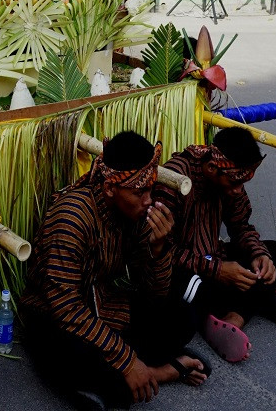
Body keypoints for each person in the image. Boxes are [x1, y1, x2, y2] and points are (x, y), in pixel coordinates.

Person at [22, 131, 209, 409]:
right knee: (70, 356)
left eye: (150, 189)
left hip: (104, 306)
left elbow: (154, 295)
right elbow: (65, 307)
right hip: (53, 316)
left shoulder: (131, 212)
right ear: (110, 188)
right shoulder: (72, 217)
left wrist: (157, 250)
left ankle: (129, 376)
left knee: (181, 317)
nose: (148, 200)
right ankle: (156, 372)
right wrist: (127, 360)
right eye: (139, 192)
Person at [154, 128, 276, 364]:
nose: (239, 189)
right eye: (235, 182)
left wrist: (258, 253)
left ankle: (234, 318)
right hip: (181, 268)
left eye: (244, 181)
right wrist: (218, 271)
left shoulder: (231, 178)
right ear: (211, 169)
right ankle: (255, 301)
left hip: (213, 257)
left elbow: (241, 227)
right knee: (186, 293)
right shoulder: (175, 178)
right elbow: (159, 250)